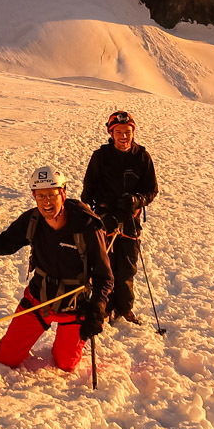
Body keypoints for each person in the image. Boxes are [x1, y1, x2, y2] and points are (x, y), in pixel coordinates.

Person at [0, 166, 113, 372]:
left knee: (66, 364)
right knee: (6, 358)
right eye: (41, 196)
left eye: (52, 194)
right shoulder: (33, 220)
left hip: (74, 307)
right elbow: (3, 245)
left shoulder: (87, 226)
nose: (46, 201)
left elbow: (104, 277)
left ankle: (66, 344)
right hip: (38, 301)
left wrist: (98, 308)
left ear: (62, 194)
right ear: (34, 196)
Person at [80, 109, 158, 324]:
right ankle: (104, 307)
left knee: (126, 265)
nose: (124, 137)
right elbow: (89, 188)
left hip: (129, 220)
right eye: (119, 132)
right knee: (104, 265)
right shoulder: (100, 157)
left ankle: (124, 308)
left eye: (127, 132)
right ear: (111, 133)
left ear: (133, 132)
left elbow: (151, 189)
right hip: (104, 219)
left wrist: (137, 200)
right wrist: (91, 213)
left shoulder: (142, 156)